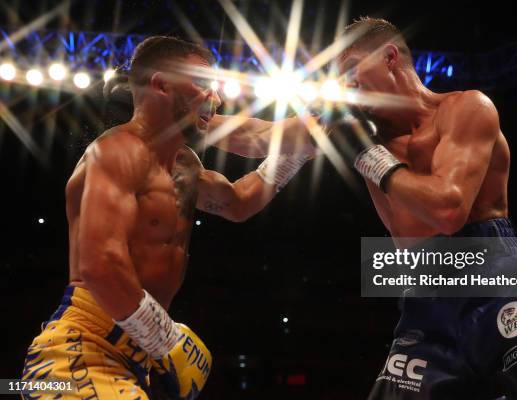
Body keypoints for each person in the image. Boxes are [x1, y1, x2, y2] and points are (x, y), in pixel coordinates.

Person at [21, 35, 314, 400]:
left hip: (134, 359)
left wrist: (297, 153)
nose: (216, 98)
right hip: (81, 350)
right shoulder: (116, 152)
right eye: (203, 84)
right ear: (161, 84)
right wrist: (166, 338)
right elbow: (100, 265)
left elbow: (240, 202)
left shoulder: (185, 166)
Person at [325, 17, 517, 400]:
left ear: (389, 56)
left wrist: (371, 159)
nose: (345, 87)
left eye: (350, 70)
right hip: (426, 299)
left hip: (496, 280)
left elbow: (449, 209)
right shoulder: (353, 129)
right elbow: (258, 138)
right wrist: (200, 116)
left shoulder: (466, 108)